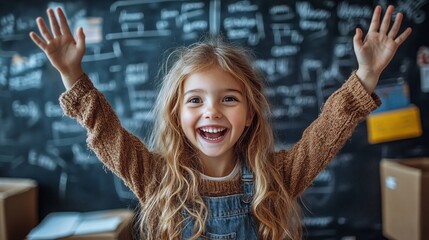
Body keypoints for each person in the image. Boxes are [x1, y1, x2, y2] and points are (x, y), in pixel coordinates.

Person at [29, 5, 411, 240]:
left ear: (249, 116)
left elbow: (330, 127)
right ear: (177, 116)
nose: (211, 111)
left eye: (229, 99)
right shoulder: (154, 176)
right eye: (195, 100)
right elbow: (104, 131)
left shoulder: (276, 176)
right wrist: (72, 75)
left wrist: (366, 77)